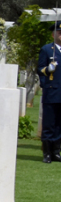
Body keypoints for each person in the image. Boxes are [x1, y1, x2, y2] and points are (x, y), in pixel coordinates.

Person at [38, 22, 61, 163]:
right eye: (59, 32)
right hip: (52, 92)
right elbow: (39, 69)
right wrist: (48, 69)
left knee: (59, 124)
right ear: (53, 34)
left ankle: (56, 152)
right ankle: (47, 152)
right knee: (49, 124)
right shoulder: (47, 50)